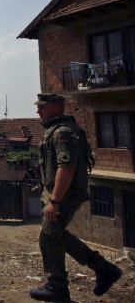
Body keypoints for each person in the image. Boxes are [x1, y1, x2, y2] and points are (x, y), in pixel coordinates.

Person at [29, 93, 122, 302]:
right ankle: (103, 269)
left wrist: (55, 201)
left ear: (55, 106)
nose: (38, 111)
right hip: (58, 192)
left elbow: (67, 168)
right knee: (55, 234)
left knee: (48, 236)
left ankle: (58, 287)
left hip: (65, 194)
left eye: (42, 106)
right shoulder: (55, 129)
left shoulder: (64, 132)